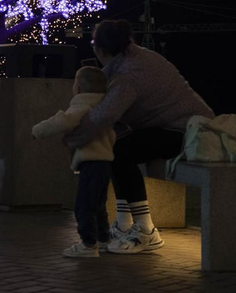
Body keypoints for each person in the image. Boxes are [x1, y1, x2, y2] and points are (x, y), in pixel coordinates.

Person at [65, 19, 213, 254]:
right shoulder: (132, 57)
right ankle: (124, 225)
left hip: (187, 133)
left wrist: (71, 138)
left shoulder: (129, 75)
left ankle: (146, 230)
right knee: (116, 146)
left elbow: (103, 116)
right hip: (183, 127)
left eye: (93, 42)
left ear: (100, 49)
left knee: (118, 150)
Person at [32, 66, 117, 258]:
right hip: (105, 162)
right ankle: (103, 240)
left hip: (90, 162)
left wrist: (37, 130)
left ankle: (88, 244)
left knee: (83, 205)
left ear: (78, 88)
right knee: (99, 204)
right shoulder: (105, 106)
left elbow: (63, 122)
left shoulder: (82, 105)